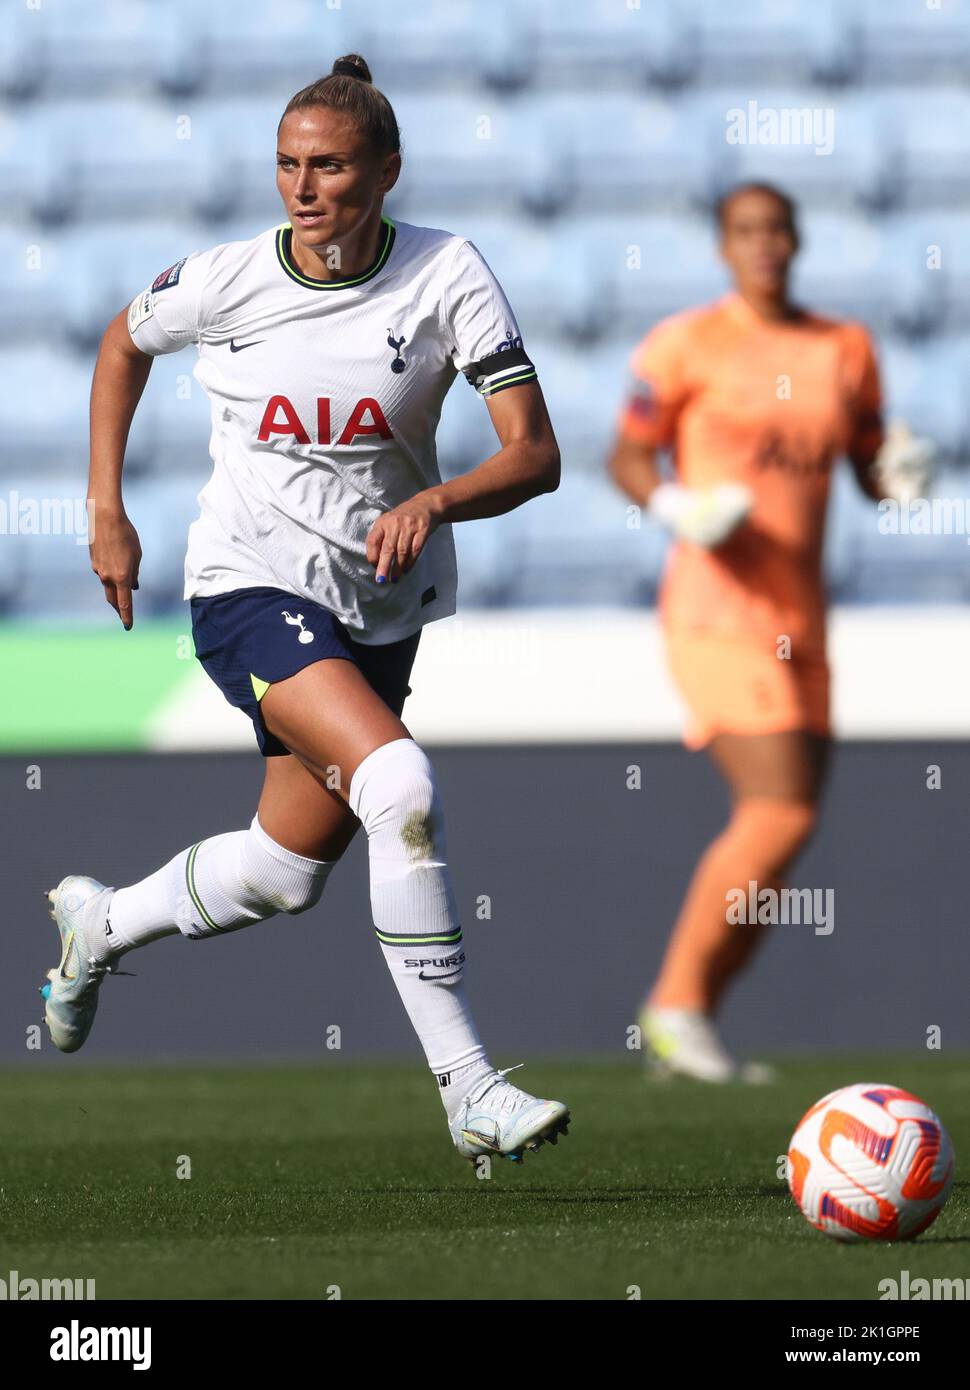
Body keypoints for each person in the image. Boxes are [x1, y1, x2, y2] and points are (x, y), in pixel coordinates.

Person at [42, 55, 569, 1164]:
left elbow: (535, 456)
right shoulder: (228, 279)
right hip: (245, 587)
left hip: (378, 607)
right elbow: (120, 344)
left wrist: (436, 498)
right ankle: (470, 1087)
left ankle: (100, 929)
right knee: (401, 783)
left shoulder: (447, 274)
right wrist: (107, 509)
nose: (304, 187)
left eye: (329, 166)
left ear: (385, 170)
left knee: (284, 871)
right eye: (288, 165)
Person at [607, 183, 934, 1082]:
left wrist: (899, 473)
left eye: (778, 229)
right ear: (724, 245)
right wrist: (677, 503)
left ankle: (690, 1020)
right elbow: (627, 453)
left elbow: (871, 462)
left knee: (787, 829)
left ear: (797, 240)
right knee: (779, 807)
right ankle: (675, 1004)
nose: (764, 245)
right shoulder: (686, 344)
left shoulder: (843, 349)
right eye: (746, 230)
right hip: (717, 609)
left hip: (801, 615)